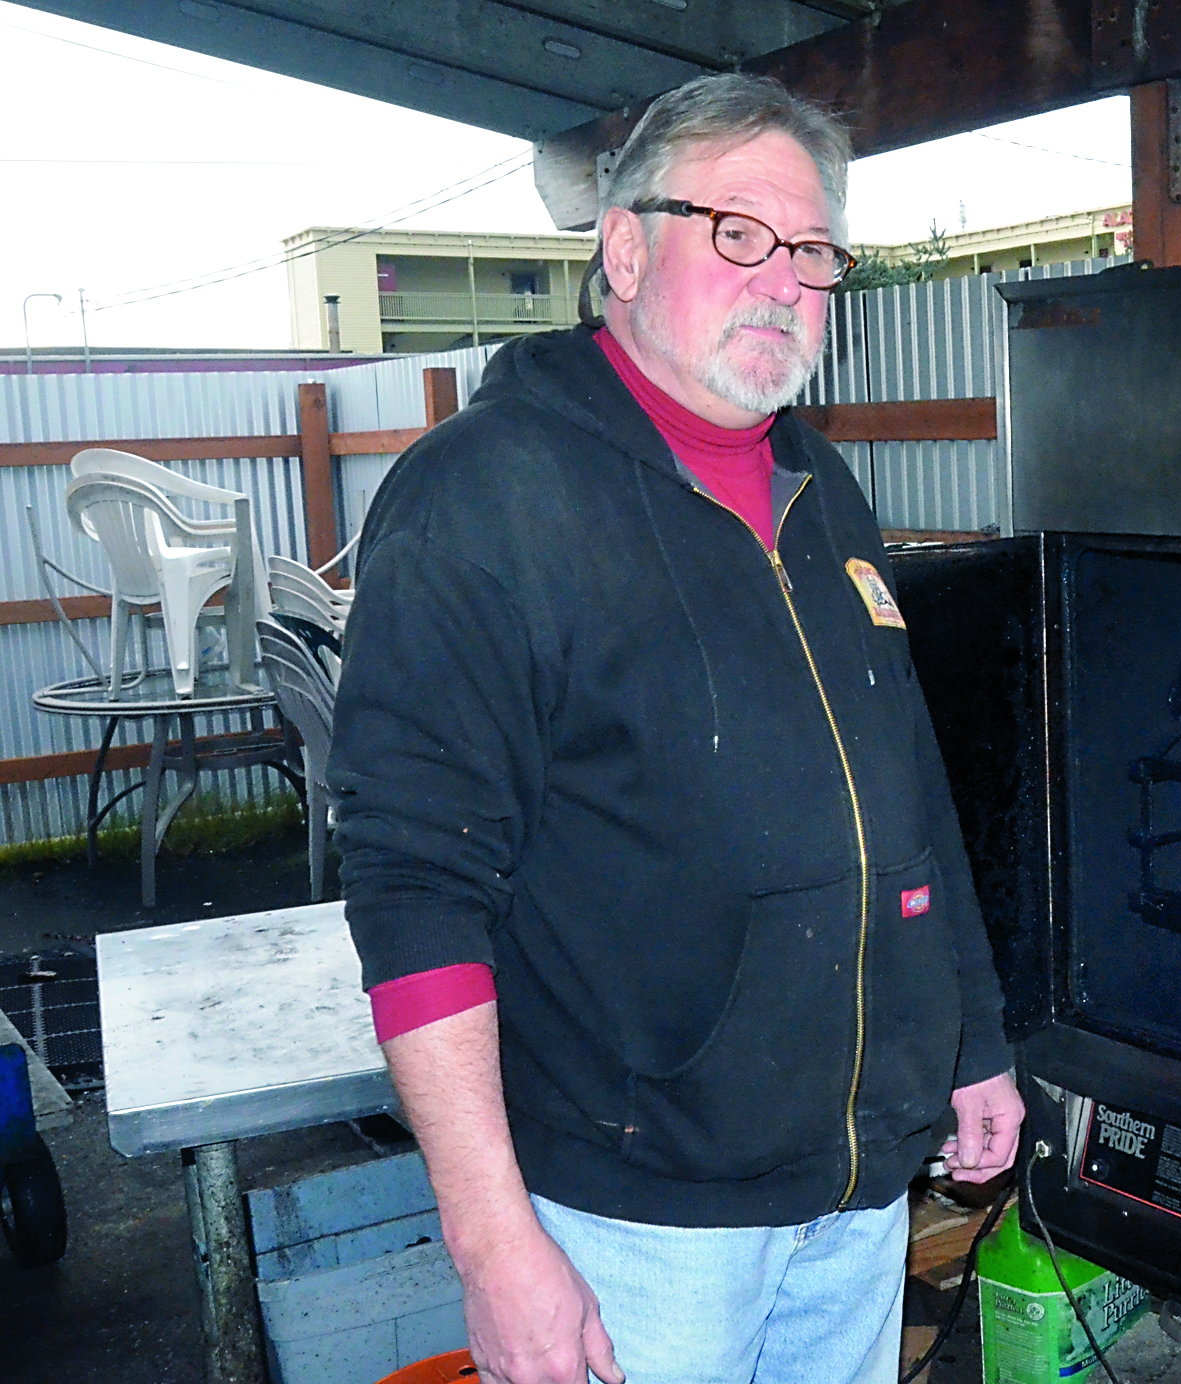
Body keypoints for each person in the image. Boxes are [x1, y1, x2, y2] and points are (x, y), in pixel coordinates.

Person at [329, 72, 1022, 1384]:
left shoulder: (820, 488)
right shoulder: (481, 496)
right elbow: (413, 889)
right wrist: (491, 1241)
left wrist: (971, 1044)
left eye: (813, 251)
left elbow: (906, 793)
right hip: (639, 1222)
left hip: (859, 1186)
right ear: (627, 248)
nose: (784, 280)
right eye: (739, 233)